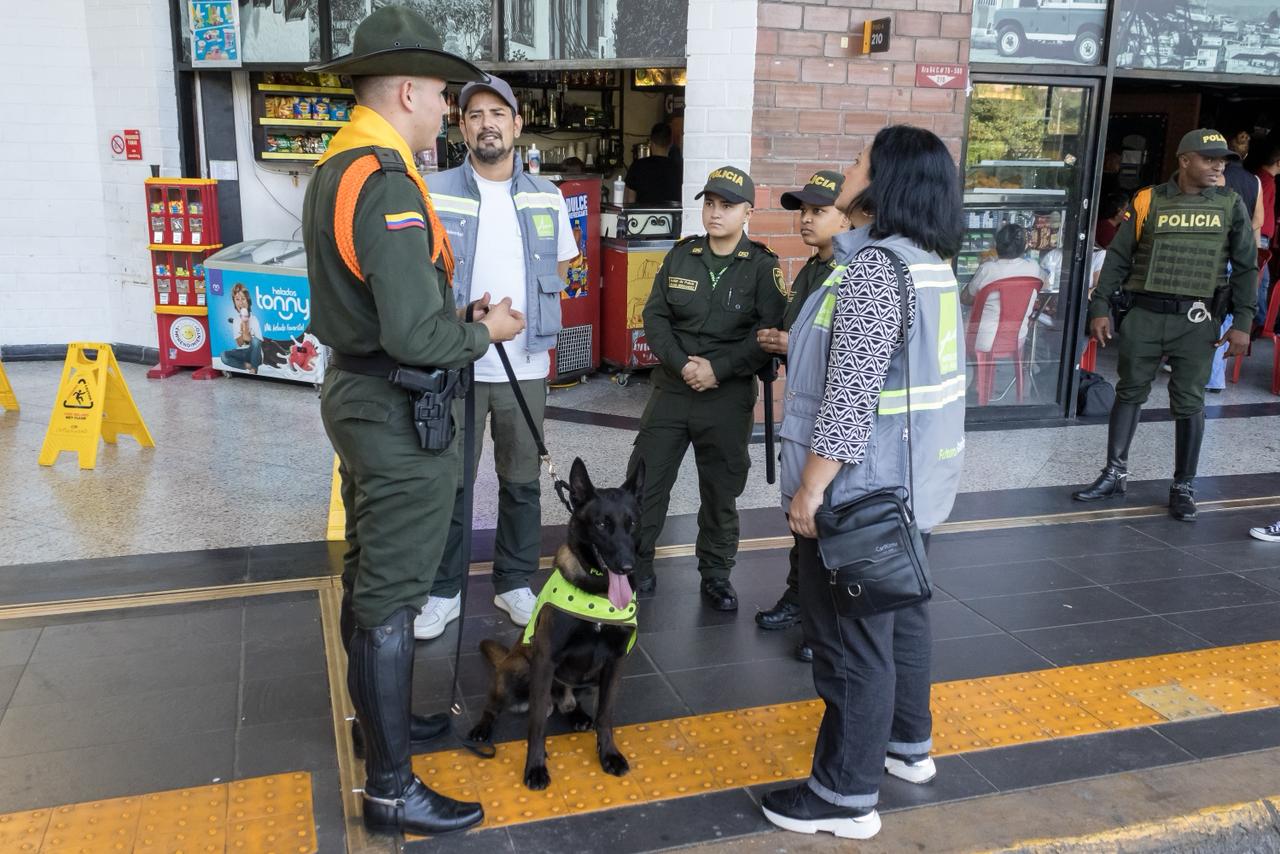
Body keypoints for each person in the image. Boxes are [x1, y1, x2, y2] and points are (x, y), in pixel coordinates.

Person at [302, 6, 525, 837]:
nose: (446, 110)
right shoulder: (387, 179)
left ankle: (383, 731)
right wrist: (485, 330)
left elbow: (388, 300)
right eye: (439, 94)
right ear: (404, 90)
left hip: (363, 394)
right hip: (397, 409)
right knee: (392, 599)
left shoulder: (341, 166)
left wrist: (447, 310)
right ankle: (392, 789)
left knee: (371, 578)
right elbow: (413, 334)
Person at [759, 126, 966, 841]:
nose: (847, 170)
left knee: (851, 646)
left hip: (860, 496)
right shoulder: (929, 262)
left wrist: (810, 491)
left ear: (886, 182)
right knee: (901, 622)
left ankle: (845, 796)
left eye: (857, 162)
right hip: (911, 488)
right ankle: (908, 749)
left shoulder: (880, 269)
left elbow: (850, 399)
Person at [418, 75, 580, 638]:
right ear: (461, 126)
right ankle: (444, 590)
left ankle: (514, 581)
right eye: (475, 114)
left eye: (497, 113)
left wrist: (521, 322)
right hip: (453, 359)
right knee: (451, 483)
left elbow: (561, 269)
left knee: (520, 482)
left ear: (517, 124)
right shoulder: (431, 189)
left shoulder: (547, 195)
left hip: (524, 366)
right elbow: (419, 274)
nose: (487, 122)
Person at [1073, 129, 1257, 521]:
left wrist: (1243, 321)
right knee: (1130, 391)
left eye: (1222, 159)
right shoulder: (1148, 199)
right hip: (1145, 314)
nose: (1218, 165)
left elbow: (1245, 267)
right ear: (1185, 160)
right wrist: (1100, 306)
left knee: (1190, 401)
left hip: (1198, 318)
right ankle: (1114, 472)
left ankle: (1184, 485)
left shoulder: (1230, 203)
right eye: (1209, 158)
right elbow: (1119, 258)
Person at [625, 166, 786, 610]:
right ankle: (636, 564)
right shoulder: (681, 255)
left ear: (747, 213)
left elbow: (768, 334)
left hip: (727, 396)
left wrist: (717, 369)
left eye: (727, 205)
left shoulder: (762, 267)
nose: (715, 213)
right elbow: (654, 319)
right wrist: (683, 366)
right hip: (672, 390)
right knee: (646, 482)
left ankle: (716, 573)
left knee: (720, 491)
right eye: (710, 203)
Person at [753, 170, 854, 661]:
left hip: (835, 417)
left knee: (825, 516)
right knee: (801, 517)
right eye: (804, 211)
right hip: (803, 412)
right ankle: (802, 598)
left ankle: (827, 618)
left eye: (819, 211)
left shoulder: (855, 272)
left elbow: (854, 354)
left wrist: (794, 345)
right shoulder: (813, 268)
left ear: (847, 216)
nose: (807, 219)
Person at [1207, 155, 1265, 391]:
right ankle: (1215, 378)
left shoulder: (1215, 178)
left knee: (1208, 315)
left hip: (1216, 254)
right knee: (1226, 315)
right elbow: (1259, 219)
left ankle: (1207, 376)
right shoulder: (1255, 181)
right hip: (1240, 255)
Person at [960, 223, 1041, 354]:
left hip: (983, 340)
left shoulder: (988, 269)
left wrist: (981, 268)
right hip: (1017, 339)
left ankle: (976, 373)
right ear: (1024, 247)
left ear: (996, 245)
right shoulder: (1033, 267)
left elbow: (965, 299)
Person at [1250, 140, 1278, 335]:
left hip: (1262, 237)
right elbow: (1257, 211)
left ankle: (1260, 323)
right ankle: (1260, 324)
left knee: (1262, 279)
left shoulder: (1266, 179)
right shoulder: (1265, 180)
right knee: (1262, 279)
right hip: (1260, 237)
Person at [624, 123, 682, 205]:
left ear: (651, 142)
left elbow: (629, 200)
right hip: (672, 216)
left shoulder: (637, 166)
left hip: (643, 217)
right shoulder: (679, 169)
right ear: (671, 143)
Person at [221, 283, 263, 373]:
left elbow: (257, 344)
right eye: (237, 299)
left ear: (248, 301)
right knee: (224, 355)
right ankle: (247, 365)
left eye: (243, 299)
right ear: (235, 303)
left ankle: (254, 368)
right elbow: (240, 344)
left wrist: (246, 325)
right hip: (243, 353)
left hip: (255, 354)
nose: (241, 302)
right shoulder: (236, 321)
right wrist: (242, 327)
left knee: (255, 341)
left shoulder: (254, 319)